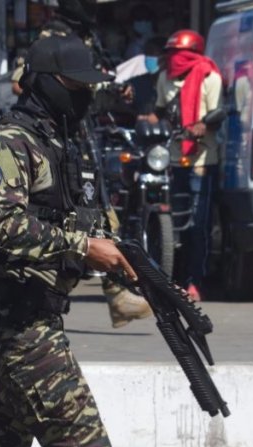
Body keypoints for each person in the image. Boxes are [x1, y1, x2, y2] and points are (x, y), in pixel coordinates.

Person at [0, 36, 137, 447]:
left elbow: (79, 216)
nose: (84, 96)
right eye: (74, 86)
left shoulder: (60, 142)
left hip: (32, 317)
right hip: (11, 321)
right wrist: (83, 248)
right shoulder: (7, 142)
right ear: (44, 84)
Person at [9, 8, 152, 328]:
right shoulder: (52, 38)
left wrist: (111, 87)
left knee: (94, 203)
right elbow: (20, 83)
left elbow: (93, 78)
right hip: (53, 130)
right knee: (55, 205)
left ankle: (117, 293)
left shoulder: (88, 37)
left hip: (79, 134)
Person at [150, 30, 223, 302]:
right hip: (174, 158)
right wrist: (147, 119)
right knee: (174, 223)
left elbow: (217, 114)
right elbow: (158, 111)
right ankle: (171, 278)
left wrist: (202, 125)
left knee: (198, 224)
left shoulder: (209, 77)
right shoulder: (163, 78)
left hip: (202, 159)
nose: (175, 61)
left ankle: (195, 282)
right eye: (171, 56)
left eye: (180, 56)